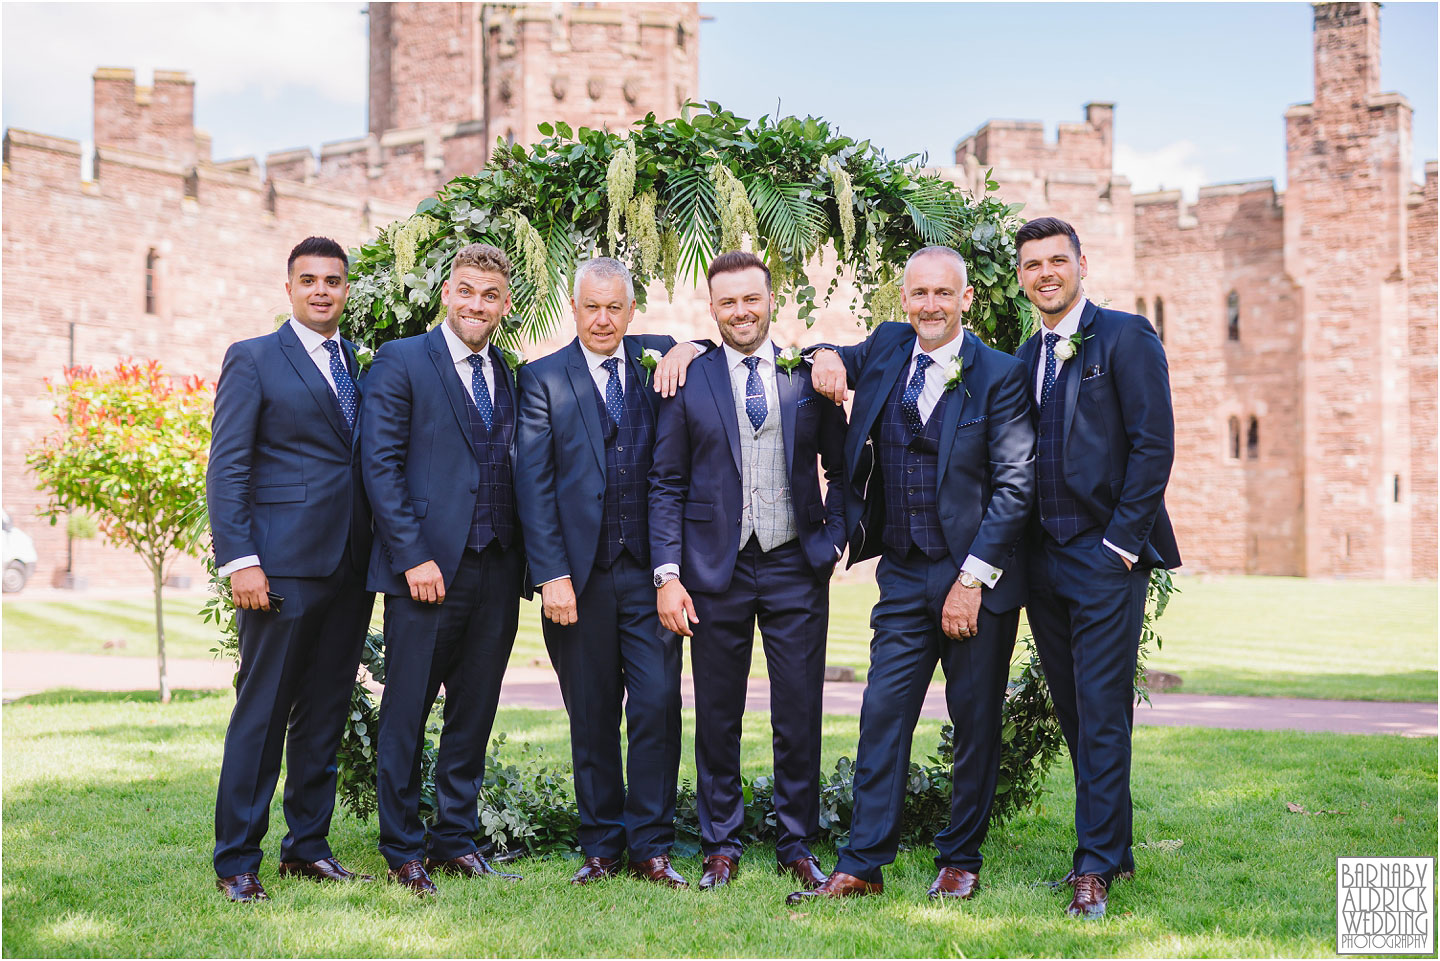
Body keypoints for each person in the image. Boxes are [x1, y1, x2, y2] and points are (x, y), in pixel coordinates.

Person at [794, 246, 1035, 904]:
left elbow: (1015, 486)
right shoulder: (887, 345)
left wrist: (971, 579)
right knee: (883, 713)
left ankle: (961, 858)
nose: (929, 304)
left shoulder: (1001, 375)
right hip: (901, 573)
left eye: (942, 293)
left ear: (966, 300)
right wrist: (823, 356)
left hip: (974, 580)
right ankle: (863, 861)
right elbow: (824, 352)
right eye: (918, 293)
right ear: (904, 300)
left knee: (974, 717)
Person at [648, 251, 848, 892]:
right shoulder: (691, 378)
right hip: (715, 570)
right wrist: (667, 572)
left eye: (751, 299)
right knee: (718, 712)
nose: (741, 311)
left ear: (771, 299)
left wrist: (833, 538)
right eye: (727, 302)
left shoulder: (804, 373)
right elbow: (666, 482)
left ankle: (796, 839)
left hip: (795, 564)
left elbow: (845, 470)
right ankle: (720, 843)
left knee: (798, 709)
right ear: (714, 309)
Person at [514, 257, 703, 889]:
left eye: (613, 308)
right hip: (578, 579)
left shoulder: (657, 360)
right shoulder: (540, 379)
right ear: (575, 308)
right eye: (591, 307)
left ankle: (651, 846)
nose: (602, 319)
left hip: (651, 575)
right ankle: (600, 845)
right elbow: (533, 488)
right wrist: (551, 576)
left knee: (656, 707)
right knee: (591, 713)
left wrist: (689, 344)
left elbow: (708, 348)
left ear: (630, 311)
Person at [1011, 217, 1180, 919]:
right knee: (1078, 711)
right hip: (1043, 561)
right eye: (1032, 264)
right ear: (1021, 276)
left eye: (1057, 260)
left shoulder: (1125, 335)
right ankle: (1117, 848)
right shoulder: (1025, 356)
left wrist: (1120, 543)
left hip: (1106, 556)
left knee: (1103, 709)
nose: (1046, 272)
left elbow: (1153, 444)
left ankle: (1092, 867)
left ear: (1082, 263)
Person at [207, 236, 375, 902]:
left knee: (325, 712)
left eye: (333, 280)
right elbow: (228, 466)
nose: (322, 291)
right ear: (289, 289)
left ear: (345, 289)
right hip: (278, 569)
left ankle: (307, 846)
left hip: (350, 566)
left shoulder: (356, 362)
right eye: (309, 280)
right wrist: (240, 560)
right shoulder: (253, 359)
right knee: (264, 711)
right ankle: (236, 860)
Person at [361, 243, 528, 897]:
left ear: (505, 304)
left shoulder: (508, 372)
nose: (476, 304)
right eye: (466, 291)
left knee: (473, 711)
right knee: (407, 710)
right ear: (447, 295)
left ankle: (454, 837)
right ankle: (402, 847)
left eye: (489, 294)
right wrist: (411, 557)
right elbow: (379, 465)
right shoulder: (402, 361)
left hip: (496, 569)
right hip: (425, 574)